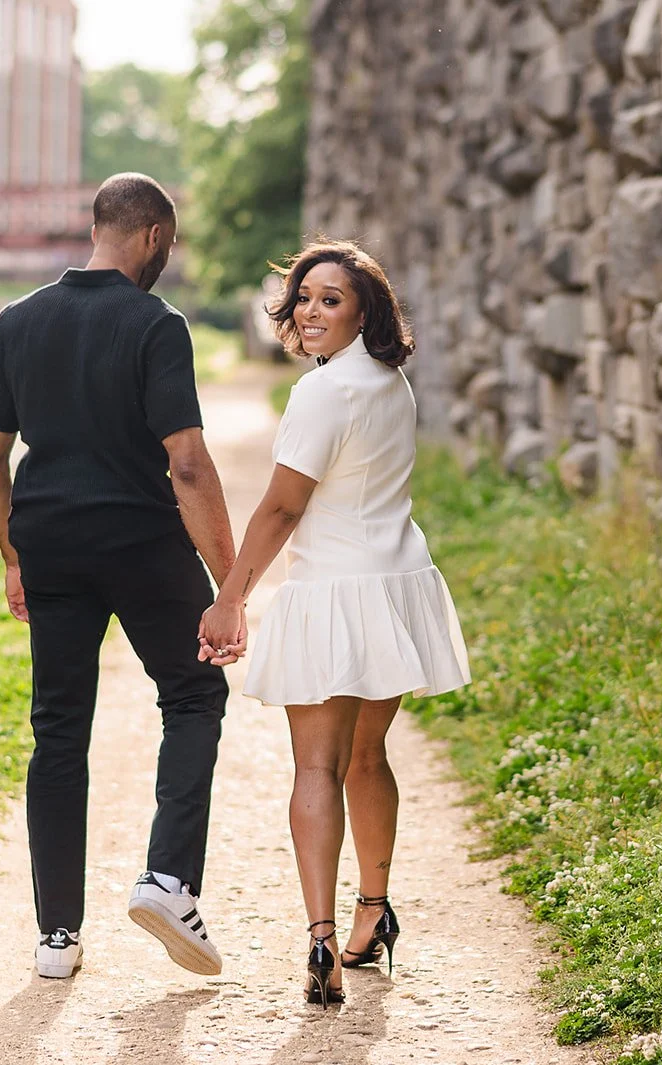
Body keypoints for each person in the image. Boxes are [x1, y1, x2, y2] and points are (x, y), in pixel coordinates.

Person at [0, 173, 241, 981]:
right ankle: (166, 879)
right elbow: (187, 465)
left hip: (50, 545)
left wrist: (13, 554)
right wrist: (229, 585)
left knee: (57, 730)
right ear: (153, 236)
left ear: (100, 227)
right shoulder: (158, 324)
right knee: (194, 693)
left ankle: (57, 936)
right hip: (143, 544)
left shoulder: (16, 322)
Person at [199, 240, 471, 1006]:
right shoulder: (391, 383)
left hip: (332, 592)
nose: (311, 312)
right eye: (305, 297)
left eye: (331, 300)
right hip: (391, 585)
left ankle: (320, 935)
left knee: (317, 767)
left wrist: (232, 595)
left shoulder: (323, 394)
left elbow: (284, 506)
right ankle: (373, 913)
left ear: (364, 311)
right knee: (368, 758)